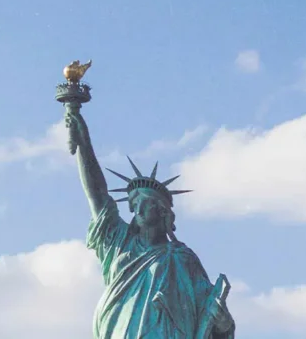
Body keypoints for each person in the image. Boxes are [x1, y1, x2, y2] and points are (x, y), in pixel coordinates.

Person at [66, 107, 236, 339]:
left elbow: (209, 316)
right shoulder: (119, 242)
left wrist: (224, 324)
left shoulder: (182, 260)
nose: (138, 208)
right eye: (134, 204)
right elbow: (97, 195)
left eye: (146, 202)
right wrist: (84, 145)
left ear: (163, 212)